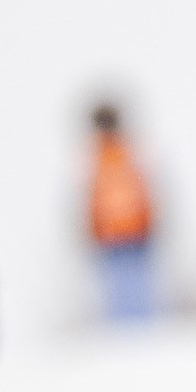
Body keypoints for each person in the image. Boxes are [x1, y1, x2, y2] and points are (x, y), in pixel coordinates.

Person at [84, 99, 158, 321]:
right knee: (121, 293)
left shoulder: (124, 153)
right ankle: (126, 337)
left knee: (133, 291)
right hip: (116, 235)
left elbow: (143, 190)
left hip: (132, 232)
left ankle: (138, 334)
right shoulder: (97, 157)